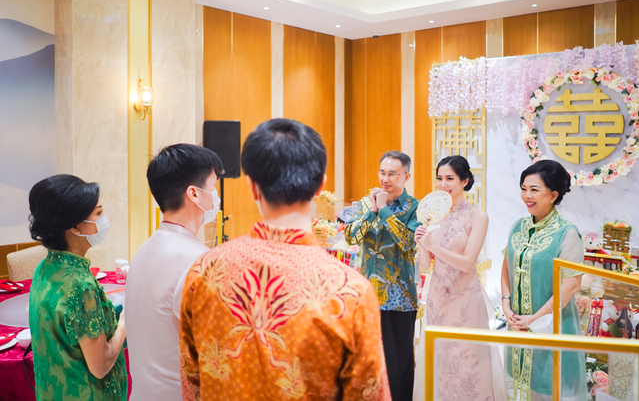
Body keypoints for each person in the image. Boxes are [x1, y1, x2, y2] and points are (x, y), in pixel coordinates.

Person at [179, 118, 390, 400]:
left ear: (252, 187)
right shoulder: (350, 290)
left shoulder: (204, 271)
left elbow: (192, 385)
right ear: (320, 186)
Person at [125, 144, 224, 401]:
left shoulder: (144, 251)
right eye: (213, 187)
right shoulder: (198, 260)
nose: (216, 196)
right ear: (194, 193)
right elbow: (214, 352)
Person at [413, 156, 505, 401]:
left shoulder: (478, 216)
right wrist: (421, 242)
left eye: (450, 179)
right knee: (438, 359)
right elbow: (425, 267)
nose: (443, 184)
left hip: (465, 299)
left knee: (467, 362)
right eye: (439, 179)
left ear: (464, 181)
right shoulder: (432, 215)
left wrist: (433, 245)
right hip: (437, 298)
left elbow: (467, 263)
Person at [28, 175, 127, 400]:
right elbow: (100, 365)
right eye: (99, 213)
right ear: (74, 226)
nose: (104, 219)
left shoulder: (45, 268)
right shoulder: (81, 286)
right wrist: (123, 325)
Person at [500, 160, 587, 400]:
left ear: (553, 194)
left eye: (534, 189)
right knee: (522, 386)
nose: (526, 195)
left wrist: (535, 318)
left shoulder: (567, 233)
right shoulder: (518, 226)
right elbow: (506, 266)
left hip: (552, 326)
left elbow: (571, 286)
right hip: (518, 323)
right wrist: (506, 303)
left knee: (550, 388)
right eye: (524, 188)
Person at [345, 150, 421, 401]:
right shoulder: (367, 203)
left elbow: (409, 242)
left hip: (400, 297)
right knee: (368, 358)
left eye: (392, 174)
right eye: (382, 173)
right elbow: (350, 237)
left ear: (406, 176)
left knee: (398, 361)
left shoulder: (414, 207)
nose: (385, 179)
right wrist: (372, 212)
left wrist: (386, 212)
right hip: (366, 295)